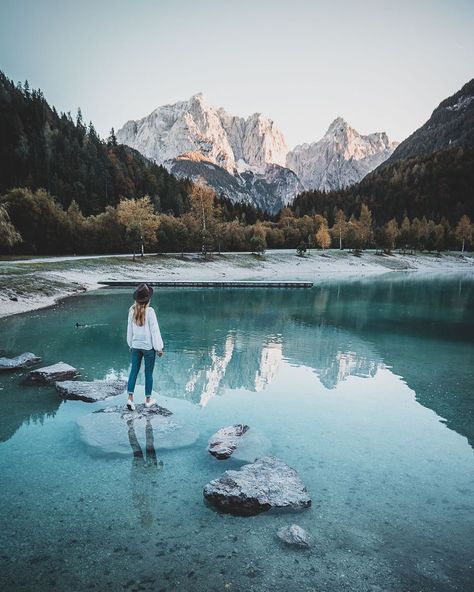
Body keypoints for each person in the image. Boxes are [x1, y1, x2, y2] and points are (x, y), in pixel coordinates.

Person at [126, 283, 164, 411]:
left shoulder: (132, 310)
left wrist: (130, 344)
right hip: (148, 348)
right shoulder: (150, 312)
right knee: (148, 373)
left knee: (134, 371)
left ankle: (130, 399)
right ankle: (148, 400)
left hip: (135, 346)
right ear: (148, 299)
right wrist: (159, 348)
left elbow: (129, 330)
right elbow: (155, 331)